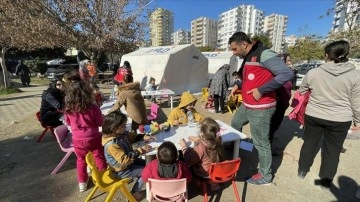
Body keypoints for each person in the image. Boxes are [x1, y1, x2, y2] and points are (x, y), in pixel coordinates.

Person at [228, 32, 294, 185]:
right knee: (235, 124)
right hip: (248, 104)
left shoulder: (263, 53)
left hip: (261, 107)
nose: (234, 52)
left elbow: (286, 73)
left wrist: (262, 89)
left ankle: (265, 176)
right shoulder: (248, 56)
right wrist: (238, 86)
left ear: (244, 44)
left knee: (261, 142)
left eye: (234, 49)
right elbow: (249, 79)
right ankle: (234, 147)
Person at [297, 40, 360, 189]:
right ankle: (325, 181)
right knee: (333, 150)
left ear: (327, 55)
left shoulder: (313, 72)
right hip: (340, 119)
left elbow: (301, 91)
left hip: (314, 115)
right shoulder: (356, 75)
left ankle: (302, 171)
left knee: (309, 144)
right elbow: (356, 101)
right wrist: (358, 120)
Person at [63, 74, 107, 192]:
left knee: (81, 160)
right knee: (98, 154)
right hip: (92, 136)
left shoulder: (69, 107)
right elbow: (99, 123)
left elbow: (67, 121)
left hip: (77, 138)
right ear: (86, 91)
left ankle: (82, 183)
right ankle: (103, 175)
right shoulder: (93, 106)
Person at [102, 111, 152, 200]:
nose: (125, 127)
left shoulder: (120, 133)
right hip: (122, 170)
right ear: (113, 128)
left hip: (129, 163)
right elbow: (124, 160)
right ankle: (134, 194)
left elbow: (132, 136)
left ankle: (151, 182)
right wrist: (141, 150)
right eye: (123, 126)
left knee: (150, 165)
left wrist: (143, 137)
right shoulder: (112, 145)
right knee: (147, 171)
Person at [179, 117, 225, 191]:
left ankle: (201, 182)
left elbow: (189, 160)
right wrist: (198, 140)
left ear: (202, 133)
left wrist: (184, 146)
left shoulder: (200, 147)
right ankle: (213, 183)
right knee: (208, 162)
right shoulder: (218, 140)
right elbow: (207, 143)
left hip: (203, 174)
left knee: (186, 163)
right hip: (216, 170)